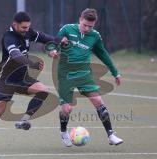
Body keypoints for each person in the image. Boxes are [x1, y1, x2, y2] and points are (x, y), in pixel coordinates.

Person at [0, 11, 59, 151]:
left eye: (28, 27)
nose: (26, 30)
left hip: (22, 78)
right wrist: (31, 63)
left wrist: (59, 39)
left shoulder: (28, 32)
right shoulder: (8, 37)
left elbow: (45, 38)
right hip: (6, 80)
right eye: (23, 27)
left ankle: (24, 119)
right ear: (15, 25)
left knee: (43, 90)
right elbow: (15, 55)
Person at [49, 8, 123, 147]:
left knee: (99, 102)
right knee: (67, 109)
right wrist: (52, 50)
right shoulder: (67, 29)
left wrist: (115, 72)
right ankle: (63, 132)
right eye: (85, 25)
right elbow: (54, 43)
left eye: (91, 26)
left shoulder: (95, 36)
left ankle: (111, 135)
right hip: (65, 75)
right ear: (80, 19)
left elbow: (103, 54)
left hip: (84, 75)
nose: (87, 28)